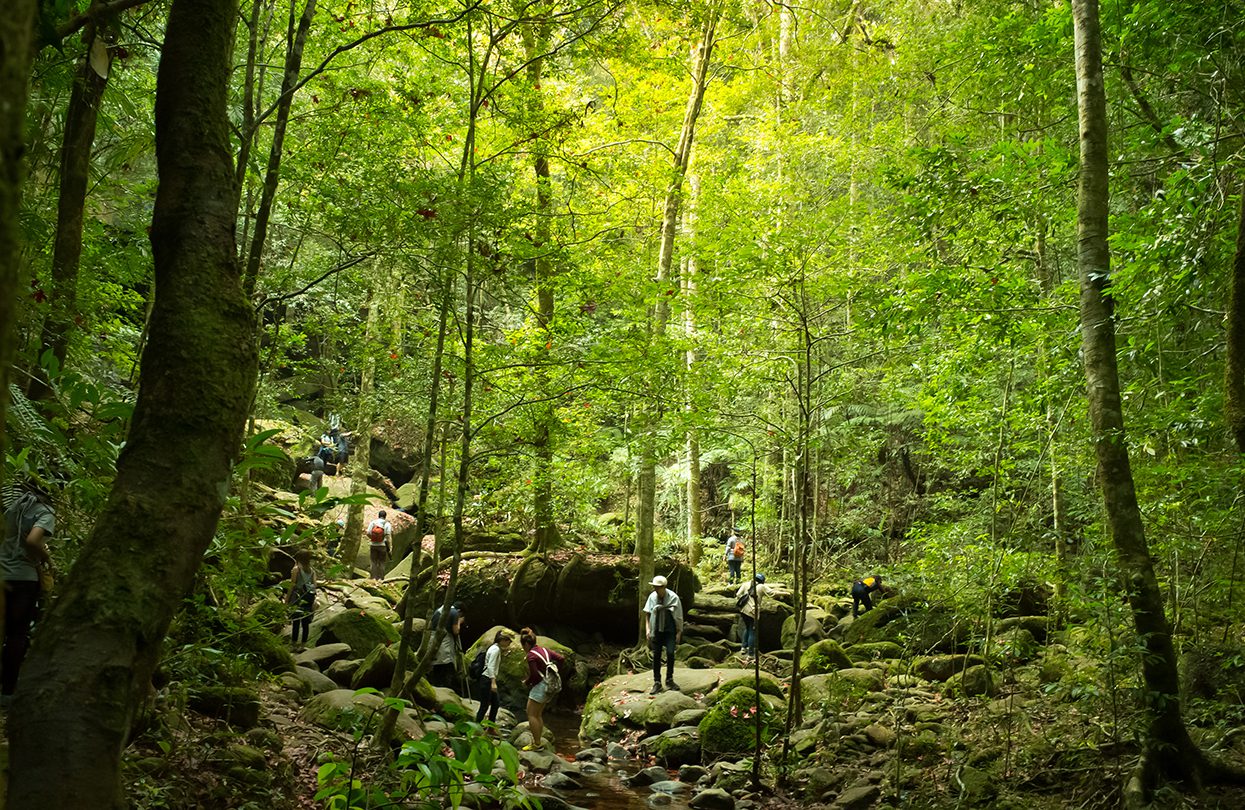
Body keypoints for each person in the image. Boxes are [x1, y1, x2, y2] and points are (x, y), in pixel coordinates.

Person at [1, 486, 55, 704]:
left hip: (1, 573)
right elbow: (33, 540)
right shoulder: (45, 511)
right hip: (23, 578)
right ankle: (7, 692)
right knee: (17, 634)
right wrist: (48, 559)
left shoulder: (12, 508)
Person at [519, 627, 564, 751]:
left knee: (531, 714)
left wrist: (527, 682)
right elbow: (561, 658)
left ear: (527, 644)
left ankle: (537, 744)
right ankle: (538, 742)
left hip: (541, 686)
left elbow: (535, 675)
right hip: (550, 685)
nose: (523, 648)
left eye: (523, 645)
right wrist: (554, 670)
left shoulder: (531, 656)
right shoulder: (544, 649)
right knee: (538, 715)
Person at [644, 575, 683, 695]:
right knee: (656, 655)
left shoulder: (673, 598)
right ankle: (657, 682)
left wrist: (679, 632)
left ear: (664, 587)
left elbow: (679, 616)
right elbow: (647, 613)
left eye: (658, 587)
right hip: (656, 630)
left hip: (669, 630)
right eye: (655, 587)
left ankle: (669, 679)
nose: (656, 589)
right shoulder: (652, 597)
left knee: (670, 653)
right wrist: (648, 629)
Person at [475, 629, 512, 724]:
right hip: (487, 680)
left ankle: (490, 727)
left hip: (487, 679)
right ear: (502, 640)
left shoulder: (494, 648)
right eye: (509, 640)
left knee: (495, 704)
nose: (510, 643)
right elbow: (491, 667)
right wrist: (493, 682)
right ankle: (475, 727)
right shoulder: (495, 650)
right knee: (484, 706)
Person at [736, 572, 774, 660]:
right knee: (753, 631)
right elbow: (772, 593)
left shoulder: (745, 584)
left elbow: (738, 595)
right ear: (762, 581)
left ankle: (743, 648)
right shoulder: (761, 587)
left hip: (743, 611)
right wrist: (785, 593)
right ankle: (750, 654)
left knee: (747, 628)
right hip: (753, 612)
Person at [285, 549, 316, 649]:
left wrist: (287, 599)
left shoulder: (296, 569)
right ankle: (303, 645)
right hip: (308, 597)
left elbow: (293, 584)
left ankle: (293, 644)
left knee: (296, 621)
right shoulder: (312, 571)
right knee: (305, 622)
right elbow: (314, 585)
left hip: (298, 596)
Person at [430, 602, 464, 691]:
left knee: (436, 664)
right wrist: (459, 622)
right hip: (445, 641)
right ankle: (446, 688)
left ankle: (435, 685)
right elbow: (456, 631)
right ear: (459, 611)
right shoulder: (454, 613)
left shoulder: (439, 609)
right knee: (446, 664)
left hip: (433, 638)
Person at [365, 510, 392, 579]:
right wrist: (390, 547)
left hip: (373, 545)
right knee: (382, 562)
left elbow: (368, 533)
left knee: (373, 562)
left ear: (378, 516)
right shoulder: (387, 524)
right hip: (382, 546)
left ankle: (373, 578)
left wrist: (372, 538)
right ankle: (381, 579)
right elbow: (388, 536)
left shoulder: (373, 522)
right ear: (385, 516)